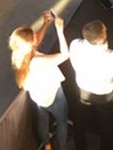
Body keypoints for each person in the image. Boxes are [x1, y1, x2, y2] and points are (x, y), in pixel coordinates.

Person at [9, 11, 69, 150]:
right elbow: (65, 55)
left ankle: (47, 146)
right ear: (28, 44)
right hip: (54, 96)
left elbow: (35, 43)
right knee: (62, 123)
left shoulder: (18, 56)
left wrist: (45, 24)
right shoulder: (38, 62)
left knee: (42, 120)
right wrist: (60, 31)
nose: (36, 35)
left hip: (38, 97)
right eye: (33, 36)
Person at [69, 20, 113, 150]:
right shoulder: (112, 58)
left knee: (79, 120)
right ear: (101, 39)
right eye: (105, 31)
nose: (107, 30)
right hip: (104, 96)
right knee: (107, 125)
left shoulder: (75, 45)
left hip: (83, 90)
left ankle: (80, 146)